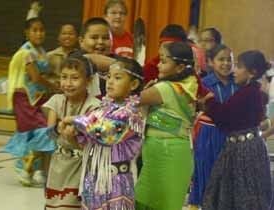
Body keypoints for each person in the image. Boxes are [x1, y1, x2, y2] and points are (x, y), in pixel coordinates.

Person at [59, 56, 144, 209]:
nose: (110, 81)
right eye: (109, 76)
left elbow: (106, 134)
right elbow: (85, 143)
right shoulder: (100, 110)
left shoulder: (131, 114)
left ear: (134, 84)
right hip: (92, 178)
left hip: (116, 181)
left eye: (117, 78)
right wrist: (71, 135)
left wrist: (74, 120)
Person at [201, 50, 272, 210]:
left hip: (243, 151)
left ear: (252, 72)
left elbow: (224, 118)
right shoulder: (253, 91)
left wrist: (209, 101)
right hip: (246, 148)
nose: (234, 71)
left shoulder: (247, 93)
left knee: (241, 195)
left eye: (239, 67)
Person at [135, 42, 199, 210]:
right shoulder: (189, 84)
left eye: (163, 61)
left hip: (166, 151)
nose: (158, 65)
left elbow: (131, 101)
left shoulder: (165, 88)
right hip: (168, 150)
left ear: (179, 67)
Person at [4, 17, 58, 186]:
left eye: (41, 30)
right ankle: (24, 168)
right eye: (34, 30)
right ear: (26, 33)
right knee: (39, 130)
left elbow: (45, 74)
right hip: (25, 97)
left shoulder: (41, 51)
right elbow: (35, 77)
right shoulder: (26, 52)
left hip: (38, 98)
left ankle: (33, 170)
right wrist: (54, 87)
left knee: (40, 131)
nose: (39, 33)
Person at [43, 55, 101, 209]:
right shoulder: (56, 100)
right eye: (64, 77)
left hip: (82, 167)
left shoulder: (95, 106)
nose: (68, 83)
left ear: (88, 81)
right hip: (58, 165)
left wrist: (73, 139)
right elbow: (50, 134)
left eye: (75, 78)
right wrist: (58, 129)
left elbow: (93, 144)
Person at [188, 44, 238, 210]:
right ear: (210, 62)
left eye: (229, 60)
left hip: (232, 135)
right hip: (208, 133)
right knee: (205, 173)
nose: (225, 64)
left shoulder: (238, 83)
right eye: (221, 59)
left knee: (228, 176)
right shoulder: (203, 83)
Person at [78, 17, 112, 97]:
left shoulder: (115, 57)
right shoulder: (75, 58)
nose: (100, 42)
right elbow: (89, 59)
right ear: (81, 41)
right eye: (94, 38)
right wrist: (123, 67)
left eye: (105, 38)